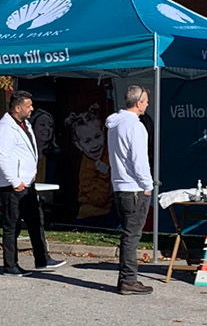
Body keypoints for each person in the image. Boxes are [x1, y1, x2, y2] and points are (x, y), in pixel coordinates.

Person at [0, 90, 65, 276]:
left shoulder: (25, 124)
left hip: (28, 183)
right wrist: (15, 181)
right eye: (28, 106)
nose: (32, 109)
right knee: (12, 225)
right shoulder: (6, 128)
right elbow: (3, 157)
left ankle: (42, 258)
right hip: (13, 186)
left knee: (35, 220)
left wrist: (31, 173)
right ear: (17, 108)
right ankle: (10, 265)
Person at [106, 85, 154, 295]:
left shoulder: (115, 124)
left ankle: (126, 278)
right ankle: (128, 279)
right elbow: (139, 160)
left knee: (128, 233)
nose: (147, 104)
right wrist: (148, 184)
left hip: (119, 184)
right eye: (145, 100)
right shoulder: (135, 126)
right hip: (134, 187)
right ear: (138, 102)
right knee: (132, 235)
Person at [66, 103, 113, 219]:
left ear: (103, 131)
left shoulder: (108, 152)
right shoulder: (86, 170)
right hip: (93, 216)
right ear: (79, 145)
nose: (94, 145)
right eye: (87, 141)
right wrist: (104, 175)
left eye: (97, 137)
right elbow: (99, 200)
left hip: (112, 210)